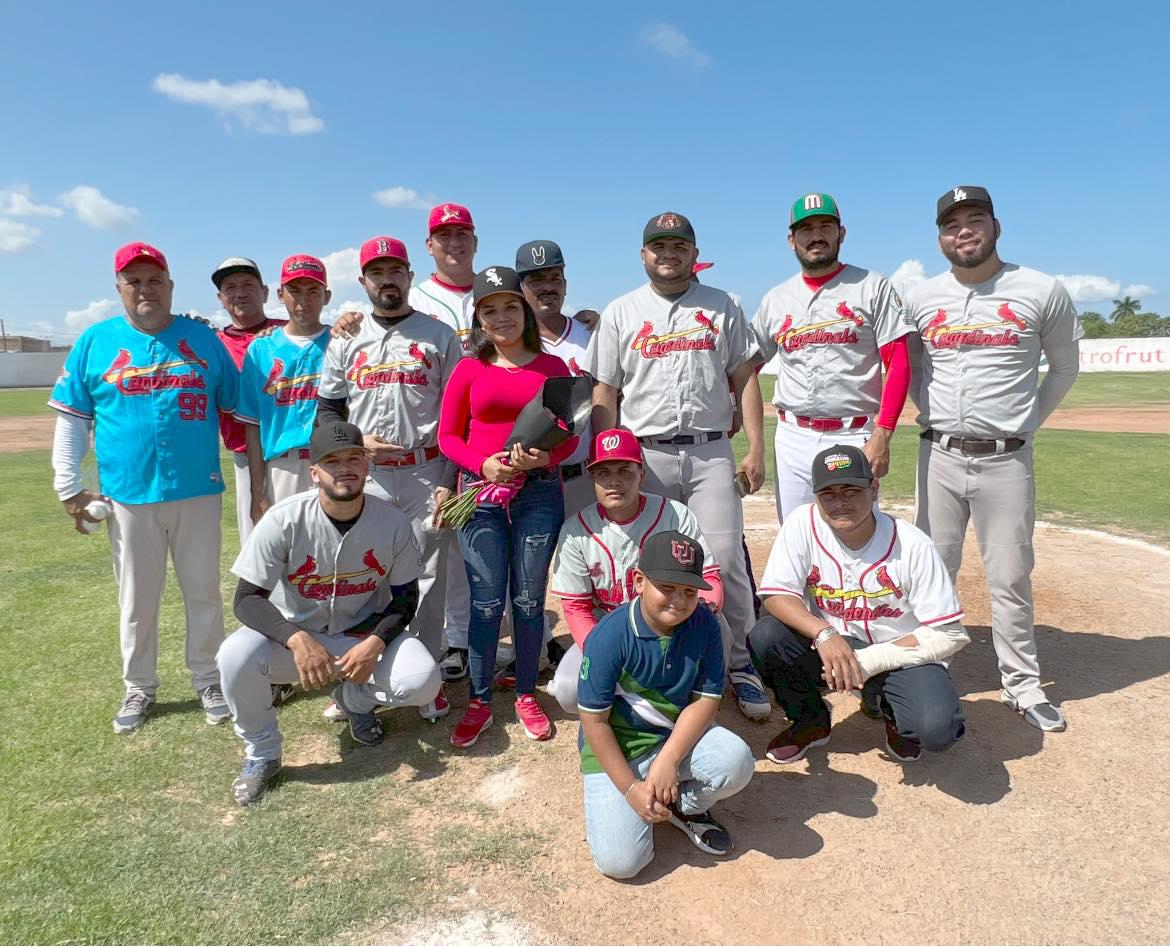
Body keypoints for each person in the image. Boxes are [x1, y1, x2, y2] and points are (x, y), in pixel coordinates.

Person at [906, 185, 1083, 733]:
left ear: (995, 226)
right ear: (939, 237)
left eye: (975, 218)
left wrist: (1027, 422)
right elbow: (909, 370)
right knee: (933, 571)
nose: (964, 230)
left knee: (1009, 575)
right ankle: (929, 672)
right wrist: (931, 414)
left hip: (1007, 460)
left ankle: (1021, 684)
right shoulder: (920, 297)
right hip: (938, 454)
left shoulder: (1040, 289)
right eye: (952, 223)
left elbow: (1064, 367)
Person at [588, 211, 771, 720]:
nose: (668, 253)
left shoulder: (722, 305)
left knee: (726, 561)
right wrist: (608, 454)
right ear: (643, 255)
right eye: (658, 246)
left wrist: (755, 449)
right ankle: (651, 662)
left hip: (711, 450)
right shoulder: (621, 311)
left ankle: (738, 665)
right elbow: (605, 388)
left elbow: (745, 378)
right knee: (645, 563)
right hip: (646, 453)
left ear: (694, 253)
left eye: (679, 245)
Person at [49, 242, 239, 733]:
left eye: (154, 279)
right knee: (137, 601)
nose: (145, 289)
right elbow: (72, 421)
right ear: (119, 289)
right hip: (128, 496)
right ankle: (139, 686)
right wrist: (69, 489)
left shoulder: (202, 339)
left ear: (170, 286)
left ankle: (209, 678)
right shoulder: (96, 341)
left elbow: (237, 411)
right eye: (134, 281)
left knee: (203, 594)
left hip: (198, 490)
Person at [217, 420, 440, 806]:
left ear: (367, 465)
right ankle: (262, 753)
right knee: (234, 656)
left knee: (423, 680)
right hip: (297, 642)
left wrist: (374, 643)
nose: (345, 468)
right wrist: (295, 638)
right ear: (314, 472)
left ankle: (354, 702)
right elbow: (247, 599)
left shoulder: (392, 522)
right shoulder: (283, 519)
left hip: (360, 639)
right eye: (332, 461)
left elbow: (405, 599)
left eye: (354, 457)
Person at [316, 236, 463, 724]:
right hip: (368, 474)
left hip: (425, 469)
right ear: (363, 282)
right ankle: (362, 675)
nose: (387, 279)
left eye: (395, 269)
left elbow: (458, 415)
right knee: (364, 575)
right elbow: (329, 410)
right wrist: (354, 445)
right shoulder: (346, 337)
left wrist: (447, 479)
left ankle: (428, 679)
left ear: (409, 275)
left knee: (429, 576)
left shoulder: (439, 335)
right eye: (376, 272)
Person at [749, 444, 969, 764]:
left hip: (900, 654)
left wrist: (870, 661)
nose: (840, 502)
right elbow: (776, 594)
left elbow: (950, 634)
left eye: (851, 490)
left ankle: (889, 710)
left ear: (874, 488)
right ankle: (810, 720)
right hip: (831, 646)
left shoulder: (912, 544)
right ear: (816, 496)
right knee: (766, 636)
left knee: (936, 729)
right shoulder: (802, 524)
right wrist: (823, 633)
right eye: (829, 493)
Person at [438, 265, 578, 747]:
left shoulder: (553, 368)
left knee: (527, 598)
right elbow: (448, 437)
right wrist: (484, 465)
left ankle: (523, 692)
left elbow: (568, 434)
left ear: (525, 311)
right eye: (489, 310)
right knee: (485, 600)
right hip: (480, 494)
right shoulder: (469, 368)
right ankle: (478, 700)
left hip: (538, 493)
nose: (502, 317)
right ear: (478, 319)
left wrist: (545, 456)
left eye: (510, 307)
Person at [578, 530, 755, 879]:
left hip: (672, 738)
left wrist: (668, 761)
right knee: (623, 864)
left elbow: (707, 700)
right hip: (621, 746)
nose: (679, 600)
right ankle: (643, 793)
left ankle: (683, 807)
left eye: (689, 591)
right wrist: (630, 789)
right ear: (639, 581)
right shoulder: (610, 637)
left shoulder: (704, 623)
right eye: (667, 587)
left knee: (735, 761)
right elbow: (594, 723)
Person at [750, 192, 913, 522]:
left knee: (855, 532)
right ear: (791, 239)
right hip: (792, 436)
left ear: (842, 233)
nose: (816, 235)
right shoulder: (776, 299)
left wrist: (882, 434)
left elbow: (899, 362)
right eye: (806, 228)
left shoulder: (873, 286)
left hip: (853, 434)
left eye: (826, 225)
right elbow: (746, 367)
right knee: (796, 534)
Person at [548, 428, 725, 715]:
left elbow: (710, 580)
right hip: (607, 628)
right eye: (603, 473)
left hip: (671, 623)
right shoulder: (576, 530)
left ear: (642, 474)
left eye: (624, 471)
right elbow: (576, 607)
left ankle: (698, 698)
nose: (614, 482)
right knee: (569, 692)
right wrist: (604, 652)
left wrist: (695, 622)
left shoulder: (674, 514)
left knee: (715, 626)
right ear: (592, 478)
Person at [236, 254, 331, 517]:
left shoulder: (341, 342)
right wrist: (258, 492)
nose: (303, 300)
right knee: (288, 553)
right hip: (282, 464)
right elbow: (253, 428)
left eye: (313, 290)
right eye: (295, 290)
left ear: (327, 296)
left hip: (333, 460)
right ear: (280, 294)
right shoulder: (261, 349)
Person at [516, 238, 596, 516]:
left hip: (583, 476)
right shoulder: (511, 343)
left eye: (555, 278)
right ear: (521, 287)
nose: (548, 287)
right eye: (537, 280)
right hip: (527, 481)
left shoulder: (591, 336)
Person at [211, 256, 286, 543]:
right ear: (220, 298)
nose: (240, 292)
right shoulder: (213, 344)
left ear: (265, 292)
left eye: (247, 284)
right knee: (257, 540)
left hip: (295, 453)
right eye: (230, 287)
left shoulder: (289, 331)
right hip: (245, 455)